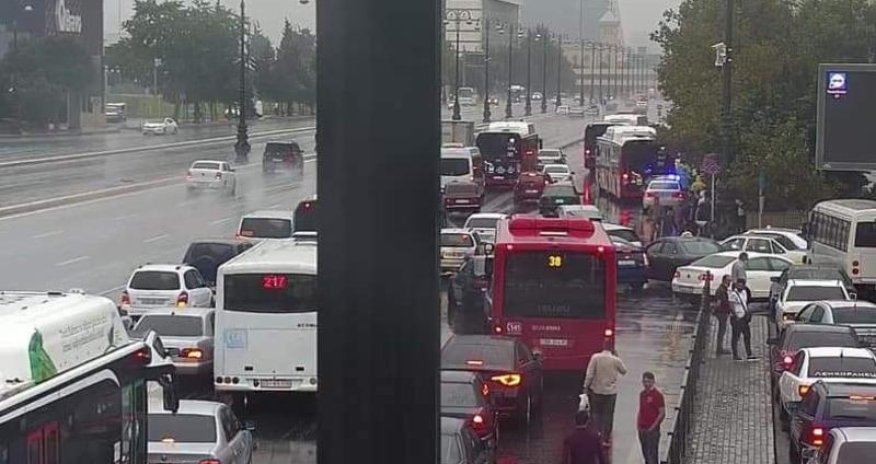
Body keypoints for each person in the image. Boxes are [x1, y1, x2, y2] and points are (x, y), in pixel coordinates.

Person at [583, 339, 627, 444]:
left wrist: (585, 386)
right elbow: (624, 371)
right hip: (611, 393)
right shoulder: (615, 360)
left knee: (596, 414)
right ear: (612, 348)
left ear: (603, 346)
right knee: (608, 415)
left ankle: (596, 435)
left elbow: (590, 374)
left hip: (596, 390)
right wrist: (617, 356)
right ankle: (606, 438)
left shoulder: (595, 357)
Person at [637, 371, 665, 464]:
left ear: (653, 381)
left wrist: (653, 427)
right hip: (642, 428)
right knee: (645, 452)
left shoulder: (657, 395)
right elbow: (641, 409)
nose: (646, 384)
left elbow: (662, 413)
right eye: (644, 381)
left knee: (652, 454)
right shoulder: (642, 394)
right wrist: (638, 424)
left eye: (648, 381)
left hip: (652, 430)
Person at [728, 278, 757, 361]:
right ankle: (735, 355)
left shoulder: (744, 292)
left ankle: (749, 354)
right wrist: (736, 315)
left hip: (744, 317)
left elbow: (745, 303)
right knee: (736, 337)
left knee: (747, 335)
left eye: (742, 285)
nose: (740, 286)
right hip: (736, 318)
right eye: (738, 284)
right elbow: (731, 305)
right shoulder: (733, 294)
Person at [713, 275, 732, 355]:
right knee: (722, 330)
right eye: (728, 280)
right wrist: (715, 310)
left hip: (723, 312)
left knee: (722, 330)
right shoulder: (720, 290)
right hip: (721, 312)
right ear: (724, 280)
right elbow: (718, 302)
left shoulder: (723, 289)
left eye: (730, 281)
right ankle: (719, 348)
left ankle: (720, 348)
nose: (729, 282)